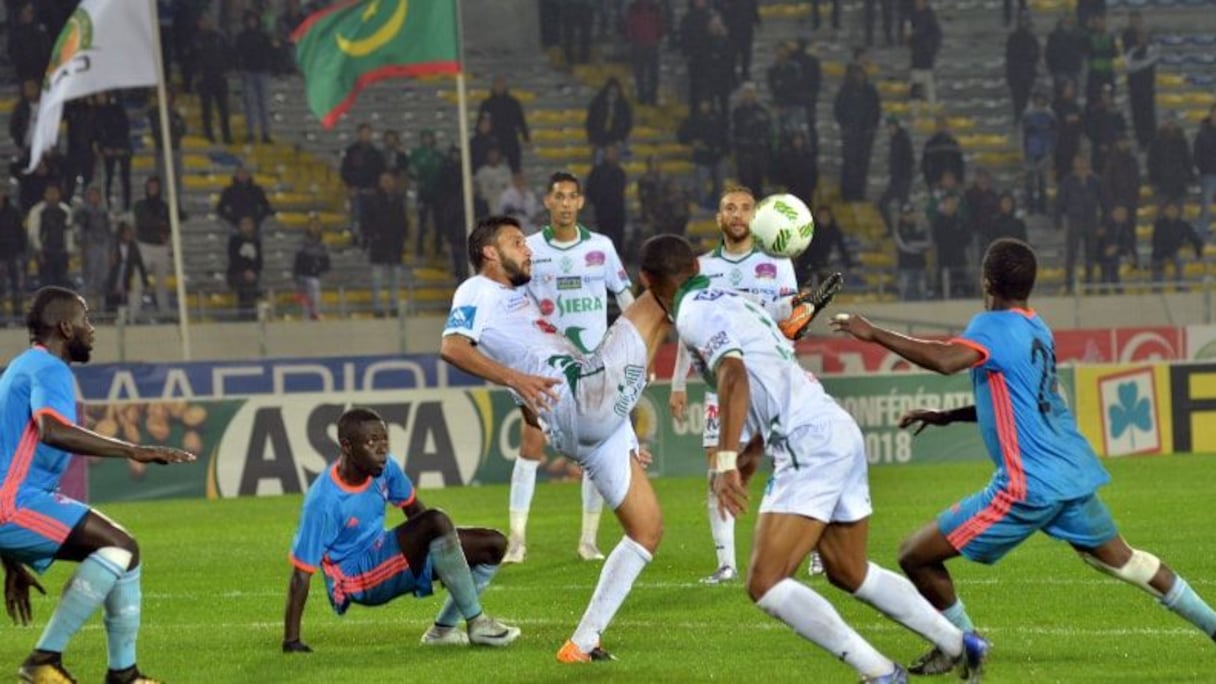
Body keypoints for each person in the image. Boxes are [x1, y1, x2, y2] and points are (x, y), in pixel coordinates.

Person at [831, 238, 1216, 672]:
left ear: (987, 281)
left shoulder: (992, 326)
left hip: (1027, 485)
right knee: (1130, 563)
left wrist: (874, 332)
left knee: (914, 555)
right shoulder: (1037, 328)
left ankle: (960, 646)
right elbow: (1021, 404)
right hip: (1070, 475)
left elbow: (945, 359)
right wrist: (949, 416)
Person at [642, 234, 988, 683]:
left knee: (764, 582)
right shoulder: (731, 298)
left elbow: (735, 376)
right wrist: (751, 450)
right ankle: (960, 643)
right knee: (849, 570)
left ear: (647, 280)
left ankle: (880, 672)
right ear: (694, 265)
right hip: (832, 427)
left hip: (807, 442)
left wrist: (726, 460)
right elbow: (770, 376)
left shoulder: (693, 313)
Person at [441, 215, 671, 661]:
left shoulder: (516, 299)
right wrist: (514, 378)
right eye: (516, 242)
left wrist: (619, 428)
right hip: (579, 397)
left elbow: (529, 386)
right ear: (490, 252)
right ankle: (773, 320)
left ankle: (581, 643)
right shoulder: (476, 291)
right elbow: (452, 346)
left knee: (647, 532)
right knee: (667, 284)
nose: (527, 250)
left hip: (583, 423)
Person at [0, 286, 195, 683]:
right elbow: (53, 430)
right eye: (87, 319)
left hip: (14, 501)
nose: (93, 329)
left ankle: (124, 673)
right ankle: (44, 659)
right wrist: (132, 449)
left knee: (126, 554)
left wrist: (10, 560)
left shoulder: (19, 369)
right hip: (15, 503)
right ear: (66, 327)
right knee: (118, 546)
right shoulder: (50, 369)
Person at [667, 186, 826, 584]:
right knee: (717, 464)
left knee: (792, 461)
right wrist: (677, 383)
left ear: (756, 217)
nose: (736, 214)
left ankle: (816, 549)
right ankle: (726, 564)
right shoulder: (701, 268)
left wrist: (794, 329)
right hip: (720, 378)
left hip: (771, 377)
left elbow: (790, 322)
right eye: (728, 208)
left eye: (744, 208)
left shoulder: (777, 262)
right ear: (719, 218)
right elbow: (691, 327)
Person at [283, 407, 520, 652]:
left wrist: (445, 555)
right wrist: (291, 641)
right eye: (371, 441)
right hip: (355, 579)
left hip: (383, 551)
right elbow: (301, 573)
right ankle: (477, 623)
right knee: (436, 520)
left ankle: (443, 630)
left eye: (384, 439)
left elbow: (416, 511)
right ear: (346, 446)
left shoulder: (386, 468)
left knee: (493, 544)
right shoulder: (323, 501)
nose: (382, 448)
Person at [503, 173, 635, 565]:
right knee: (531, 444)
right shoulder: (529, 248)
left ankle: (589, 540)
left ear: (580, 203)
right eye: (558, 196)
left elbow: (626, 297)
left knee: (594, 450)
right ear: (547, 201)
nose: (564, 203)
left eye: (571, 197)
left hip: (594, 366)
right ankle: (516, 539)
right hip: (544, 363)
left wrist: (640, 346)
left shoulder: (601, 247)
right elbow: (515, 303)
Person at [834, 64, 882, 202]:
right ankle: (846, 193)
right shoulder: (846, 90)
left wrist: (871, 128)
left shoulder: (870, 91)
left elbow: (876, 111)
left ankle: (859, 193)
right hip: (850, 134)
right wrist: (845, 126)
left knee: (862, 165)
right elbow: (838, 109)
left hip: (865, 135)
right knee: (849, 164)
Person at [1055, 154, 1102, 292]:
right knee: (1072, 254)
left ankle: (1089, 283)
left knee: (1091, 254)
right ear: (1074, 164)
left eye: (1083, 162)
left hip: (1091, 221)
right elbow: (1059, 202)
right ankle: (1068, 283)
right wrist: (1058, 221)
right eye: (1078, 162)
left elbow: (1104, 201)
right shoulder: (1068, 181)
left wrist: (1104, 223)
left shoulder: (1095, 181)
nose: (1081, 165)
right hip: (1074, 222)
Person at [364, 172, 408, 318]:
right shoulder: (373, 200)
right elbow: (367, 222)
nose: (387, 183)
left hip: (395, 246)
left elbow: (403, 222)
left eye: (389, 180)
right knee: (378, 279)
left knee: (394, 279)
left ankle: (393, 305)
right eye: (384, 181)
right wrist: (373, 236)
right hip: (378, 246)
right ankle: (377, 306)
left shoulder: (398, 201)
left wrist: (402, 238)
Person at [132, 177, 172, 321]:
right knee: (139, 282)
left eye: (155, 186)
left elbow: (170, 223)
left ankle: (164, 311)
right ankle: (134, 312)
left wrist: (165, 232)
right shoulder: (140, 205)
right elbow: (143, 223)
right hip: (144, 246)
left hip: (161, 247)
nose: (153, 189)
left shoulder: (164, 206)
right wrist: (158, 227)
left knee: (162, 282)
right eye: (150, 186)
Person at [340, 123, 386, 243]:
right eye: (364, 133)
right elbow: (345, 171)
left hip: (371, 191)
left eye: (368, 133)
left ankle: (367, 238)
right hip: (356, 190)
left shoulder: (376, 153)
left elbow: (380, 172)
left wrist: (375, 187)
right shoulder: (351, 151)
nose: (366, 135)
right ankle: (354, 238)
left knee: (370, 217)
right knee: (356, 216)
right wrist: (350, 186)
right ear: (359, 134)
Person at [192, 13, 233, 144]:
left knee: (224, 109)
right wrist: (197, 74)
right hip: (205, 78)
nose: (203, 24)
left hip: (220, 77)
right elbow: (192, 58)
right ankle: (208, 134)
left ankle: (227, 135)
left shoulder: (220, 37)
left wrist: (227, 69)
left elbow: (229, 53)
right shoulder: (197, 39)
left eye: (205, 21)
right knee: (206, 109)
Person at [477, 77, 531, 173]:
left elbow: (521, 121)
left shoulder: (513, 103)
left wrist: (526, 138)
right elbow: (480, 123)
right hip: (493, 139)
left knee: (515, 168)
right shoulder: (487, 103)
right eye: (497, 85)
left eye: (502, 85)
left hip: (511, 138)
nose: (499, 87)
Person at [236, 10, 274, 143]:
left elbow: (270, 52)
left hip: (262, 72)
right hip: (249, 72)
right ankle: (251, 132)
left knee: (264, 103)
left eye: (253, 19)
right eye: (249, 20)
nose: (251, 22)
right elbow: (237, 53)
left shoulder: (263, 36)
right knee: (250, 104)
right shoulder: (241, 37)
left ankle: (265, 132)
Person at [1151, 200, 1204, 286]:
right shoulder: (1159, 225)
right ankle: (1157, 289)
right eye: (1170, 209)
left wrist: (1198, 251)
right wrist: (1165, 255)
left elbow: (1194, 238)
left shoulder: (1183, 224)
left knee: (1180, 260)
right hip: (1160, 253)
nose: (1172, 211)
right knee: (1157, 264)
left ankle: (1180, 287)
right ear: (1165, 211)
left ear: (1178, 211)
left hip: (1175, 252)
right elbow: (1156, 242)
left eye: (1174, 209)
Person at [96, 92, 133, 212]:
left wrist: (120, 147)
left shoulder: (118, 109)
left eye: (101, 95)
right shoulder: (97, 112)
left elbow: (124, 128)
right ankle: (107, 205)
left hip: (122, 148)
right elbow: (97, 132)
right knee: (108, 177)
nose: (100, 98)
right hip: (108, 150)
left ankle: (127, 205)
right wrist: (104, 148)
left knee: (125, 178)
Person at [75, 187, 113, 303]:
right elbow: (80, 230)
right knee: (89, 277)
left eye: (96, 195)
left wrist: (111, 249)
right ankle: (87, 306)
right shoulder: (82, 212)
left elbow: (109, 230)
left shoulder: (104, 212)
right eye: (92, 195)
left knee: (103, 277)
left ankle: (102, 306)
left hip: (104, 246)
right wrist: (83, 246)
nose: (94, 197)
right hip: (90, 246)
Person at [586, 145, 629, 248]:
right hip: (602, 210)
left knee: (618, 239)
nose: (612, 156)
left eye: (614, 153)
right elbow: (590, 189)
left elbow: (620, 191)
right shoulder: (596, 172)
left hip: (617, 211)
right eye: (609, 153)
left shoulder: (620, 172)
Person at [1021, 91, 1056, 216]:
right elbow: (1024, 134)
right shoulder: (1028, 114)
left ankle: (1043, 206)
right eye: (1038, 98)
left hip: (1045, 150)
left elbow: (1054, 134)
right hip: (1031, 150)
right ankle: (1029, 205)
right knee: (1030, 180)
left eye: (1042, 98)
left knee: (1043, 181)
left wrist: (1051, 149)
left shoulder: (1050, 115)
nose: (1040, 101)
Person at [585, 78, 634, 163]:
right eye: (611, 92)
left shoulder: (623, 105)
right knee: (598, 163)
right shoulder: (598, 103)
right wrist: (592, 140)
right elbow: (590, 122)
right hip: (600, 140)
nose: (613, 94)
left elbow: (628, 123)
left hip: (617, 140)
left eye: (615, 92)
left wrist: (622, 138)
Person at [879, 116, 915, 230]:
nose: (889, 129)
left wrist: (903, 176)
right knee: (885, 204)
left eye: (891, 126)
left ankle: (905, 230)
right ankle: (897, 229)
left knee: (903, 207)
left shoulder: (902, 139)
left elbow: (909, 160)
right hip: (897, 179)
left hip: (902, 180)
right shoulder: (896, 139)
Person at [106, 223, 148, 319]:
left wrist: (145, 280)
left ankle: (123, 317)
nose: (129, 235)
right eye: (127, 233)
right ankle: (110, 316)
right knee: (112, 296)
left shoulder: (133, 247)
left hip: (126, 274)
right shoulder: (114, 245)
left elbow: (140, 263)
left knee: (124, 297)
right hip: (114, 274)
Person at [217, 166, 274, 235]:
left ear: (249, 175)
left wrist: (257, 220)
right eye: (240, 173)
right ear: (236, 175)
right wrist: (233, 220)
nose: (243, 176)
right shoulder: (229, 190)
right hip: (236, 226)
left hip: (255, 227)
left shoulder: (257, 189)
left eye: (245, 173)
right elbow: (220, 208)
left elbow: (266, 206)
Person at [1005, 12, 1040, 122]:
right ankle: (1018, 117)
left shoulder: (1032, 39)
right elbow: (1009, 56)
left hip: (1027, 73)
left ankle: (1023, 116)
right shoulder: (1013, 38)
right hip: (1015, 73)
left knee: (1025, 96)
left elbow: (1036, 55)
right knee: (1017, 98)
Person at [293, 217, 330, 320]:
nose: (316, 228)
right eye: (313, 225)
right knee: (307, 297)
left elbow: (326, 264)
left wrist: (318, 268)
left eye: (318, 225)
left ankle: (314, 313)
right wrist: (297, 277)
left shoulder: (323, 245)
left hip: (316, 276)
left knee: (315, 288)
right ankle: (309, 316)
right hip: (303, 276)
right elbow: (298, 261)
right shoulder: (303, 243)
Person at [893, 202, 931, 301]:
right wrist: (919, 248)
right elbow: (903, 246)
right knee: (905, 293)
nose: (909, 216)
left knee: (922, 293)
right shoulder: (898, 229)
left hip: (920, 265)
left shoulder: (920, 227)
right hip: (905, 266)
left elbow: (928, 244)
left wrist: (912, 244)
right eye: (906, 214)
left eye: (911, 213)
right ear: (901, 215)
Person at [227, 216, 263, 319]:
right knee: (246, 287)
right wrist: (245, 272)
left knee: (251, 286)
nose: (247, 227)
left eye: (249, 224)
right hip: (236, 274)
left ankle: (251, 314)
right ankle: (246, 315)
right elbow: (234, 259)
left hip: (252, 275)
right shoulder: (234, 241)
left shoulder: (256, 242)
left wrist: (253, 271)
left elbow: (259, 261)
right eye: (244, 224)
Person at [1096, 204, 1136, 292]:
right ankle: (1106, 290)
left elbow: (1128, 244)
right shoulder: (1105, 225)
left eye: (1124, 214)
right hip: (1102, 255)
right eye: (1119, 213)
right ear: (1113, 213)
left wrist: (1118, 248)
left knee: (1115, 264)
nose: (1121, 215)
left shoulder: (1127, 227)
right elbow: (1099, 243)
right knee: (1108, 268)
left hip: (1117, 254)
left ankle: (1117, 290)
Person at [0, 189, 26, 326]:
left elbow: (21, 231)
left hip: (13, 253)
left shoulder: (13, 211)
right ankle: (2, 317)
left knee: (17, 285)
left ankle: (18, 314)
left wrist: (22, 251)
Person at [1196, 104, 1216, 237]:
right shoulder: (1203, 133)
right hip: (1209, 174)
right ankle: (1201, 233)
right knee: (1206, 205)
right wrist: (1204, 169)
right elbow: (1197, 154)